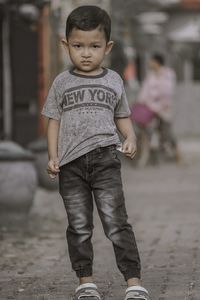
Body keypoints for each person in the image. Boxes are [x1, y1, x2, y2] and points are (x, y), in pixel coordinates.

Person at [42, 6, 151, 300]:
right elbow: (53, 121)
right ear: (66, 45)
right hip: (71, 166)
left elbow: (122, 115)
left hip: (106, 160)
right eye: (78, 46)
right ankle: (85, 282)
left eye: (94, 46)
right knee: (79, 226)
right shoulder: (61, 83)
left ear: (108, 47)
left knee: (117, 223)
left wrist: (130, 137)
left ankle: (134, 282)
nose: (86, 53)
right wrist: (53, 156)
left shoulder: (114, 80)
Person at [137, 53, 180, 162]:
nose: (149, 63)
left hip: (163, 109)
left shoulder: (168, 74)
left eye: (151, 61)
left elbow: (167, 92)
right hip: (149, 109)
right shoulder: (150, 75)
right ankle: (148, 156)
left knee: (167, 133)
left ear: (156, 62)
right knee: (146, 132)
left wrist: (158, 103)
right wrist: (141, 103)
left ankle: (178, 156)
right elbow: (144, 92)